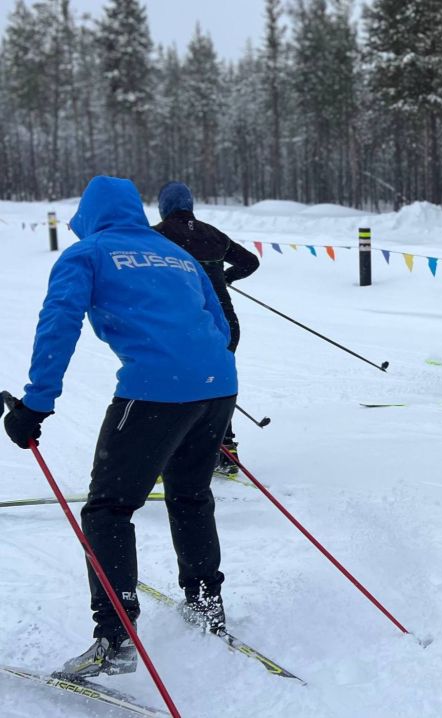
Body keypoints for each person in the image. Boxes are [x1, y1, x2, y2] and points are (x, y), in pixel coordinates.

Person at [3, 176, 238, 677]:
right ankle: (205, 602)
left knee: (109, 508)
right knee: (191, 494)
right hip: (218, 384)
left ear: (88, 214)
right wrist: (203, 366)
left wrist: (35, 404)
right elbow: (219, 322)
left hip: (156, 388)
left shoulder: (88, 253)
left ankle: (115, 637)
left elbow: (58, 324)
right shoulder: (175, 252)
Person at [152, 181, 259, 475]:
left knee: (176, 385)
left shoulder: (155, 237)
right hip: (225, 323)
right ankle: (226, 452)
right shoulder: (212, 233)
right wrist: (227, 277)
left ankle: (170, 453)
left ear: (163, 207)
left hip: (185, 324)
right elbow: (250, 262)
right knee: (217, 384)